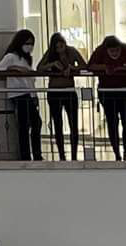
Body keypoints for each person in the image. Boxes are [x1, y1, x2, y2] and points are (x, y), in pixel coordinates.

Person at [0, 30, 43, 161]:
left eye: (32, 43)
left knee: (35, 123)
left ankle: (36, 153)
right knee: (25, 125)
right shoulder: (11, 57)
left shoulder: (27, 59)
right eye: (27, 43)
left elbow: (30, 80)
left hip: (28, 94)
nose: (30, 46)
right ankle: (26, 155)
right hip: (18, 94)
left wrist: (35, 96)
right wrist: (14, 69)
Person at [38, 32, 86, 160]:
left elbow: (84, 65)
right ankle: (61, 155)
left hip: (69, 91)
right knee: (58, 124)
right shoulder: (50, 55)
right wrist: (52, 64)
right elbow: (39, 68)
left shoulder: (72, 52)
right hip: (54, 92)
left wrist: (72, 68)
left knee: (73, 124)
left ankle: (74, 155)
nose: (60, 49)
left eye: (62, 46)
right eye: (57, 47)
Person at [88, 36, 126, 160]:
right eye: (111, 51)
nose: (114, 53)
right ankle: (117, 153)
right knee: (112, 122)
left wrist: (119, 68)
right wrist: (105, 67)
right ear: (106, 49)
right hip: (107, 93)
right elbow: (90, 66)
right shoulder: (100, 51)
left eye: (116, 50)